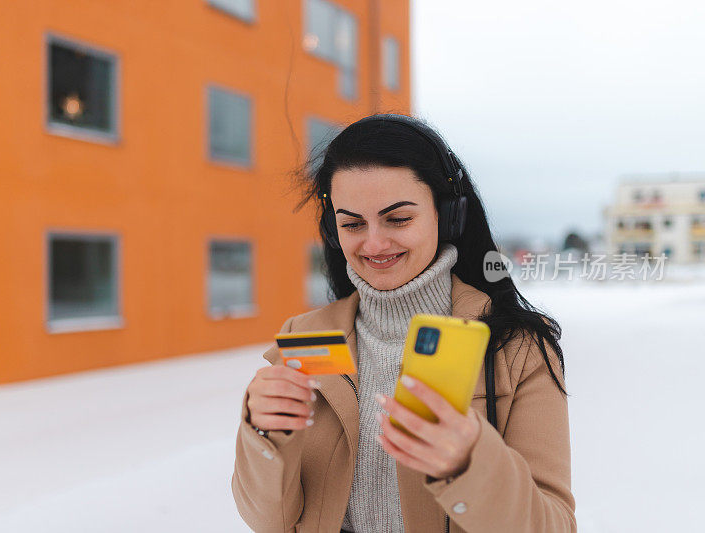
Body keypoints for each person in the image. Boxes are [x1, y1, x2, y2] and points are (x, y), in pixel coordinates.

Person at [231, 114, 575, 532]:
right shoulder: (306, 338)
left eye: (398, 219)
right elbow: (269, 521)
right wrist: (263, 433)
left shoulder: (516, 348)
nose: (374, 244)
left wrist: (471, 462)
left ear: (448, 216)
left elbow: (553, 526)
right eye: (352, 224)